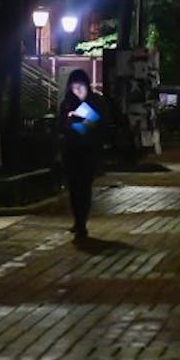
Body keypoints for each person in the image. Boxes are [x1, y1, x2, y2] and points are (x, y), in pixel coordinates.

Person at [59, 69, 111, 239]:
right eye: (74, 85)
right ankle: (78, 221)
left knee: (83, 188)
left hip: (87, 151)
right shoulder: (68, 103)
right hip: (72, 151)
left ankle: (81, 223)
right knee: (75, 189)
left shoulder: (94, 101)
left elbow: (100, 123)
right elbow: (62, 125)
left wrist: (79, 124)